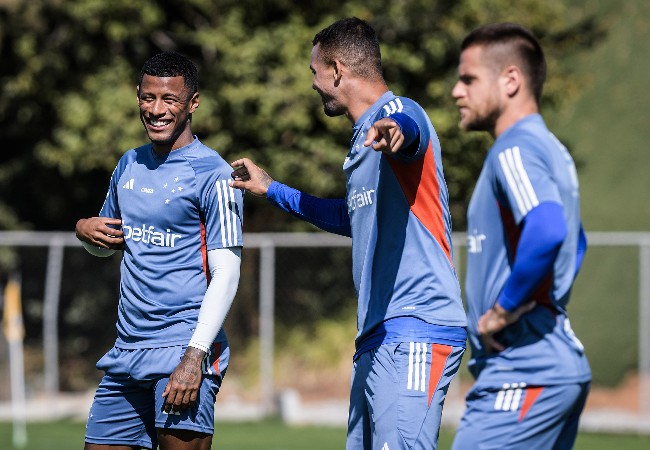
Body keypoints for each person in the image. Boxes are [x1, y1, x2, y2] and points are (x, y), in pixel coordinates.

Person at [229, 17, 467, 450]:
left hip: (416, 327)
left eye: (314, 72)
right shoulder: (361, 140)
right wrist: (271, 188)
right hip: (377, 336)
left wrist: (398, 134)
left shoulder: (395, 114)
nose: (313, 84)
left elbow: (408, 126)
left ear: (336, 70)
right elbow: (350, 218)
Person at [75, 51, 244, 450]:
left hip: (182, 351)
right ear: (137, 96)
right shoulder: (128, 164)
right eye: (148, 98)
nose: (156, 110)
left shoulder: (214, 174)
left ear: (193, 103)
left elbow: (227, 272)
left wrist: (194, 357)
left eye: (169, 99)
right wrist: (84, 230)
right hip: (126, 351)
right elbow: (107, 245)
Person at [449, 23, 591, 450]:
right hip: (550, 363)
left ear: (511, 80)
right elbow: (577, 241)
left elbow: (548, 230)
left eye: (468, 79)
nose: (457, 91)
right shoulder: (551, 148)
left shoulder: (514, 148)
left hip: (524, 367)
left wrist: (503, 309)